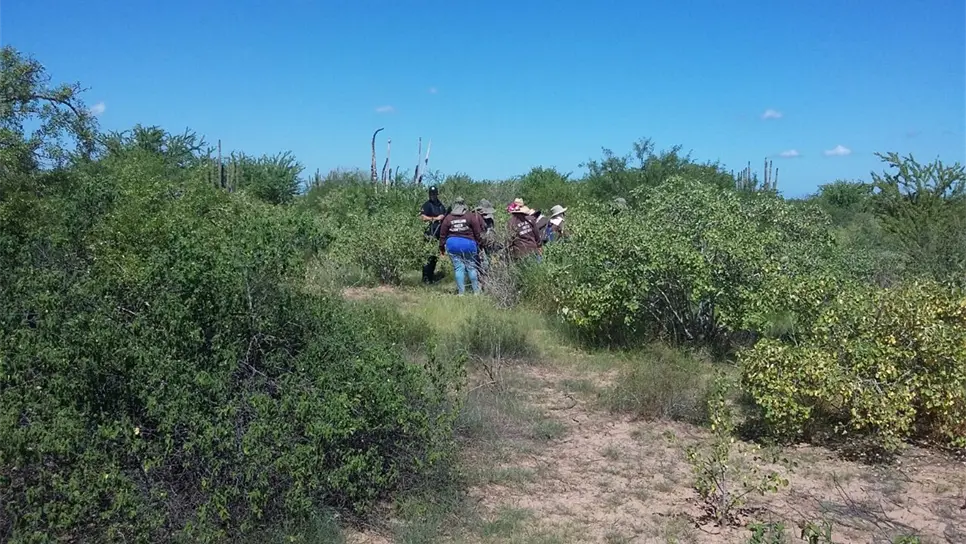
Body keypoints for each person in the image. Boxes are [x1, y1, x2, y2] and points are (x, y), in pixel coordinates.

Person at [439, 197, 484, 295]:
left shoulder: (448, 217)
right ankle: (476, 292)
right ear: (464, 205)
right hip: (468, 244)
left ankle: (461, 293)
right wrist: (480, 244)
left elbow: (442, 234)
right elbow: (477, 232)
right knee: (471, 267)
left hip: (452, 244)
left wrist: (441, 247)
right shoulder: (470, 216)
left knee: (459, 268)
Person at [419, 185, 447, 283]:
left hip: (438, 235)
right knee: (428, 256)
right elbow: (422, 217)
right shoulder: (426, 205)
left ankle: (431, 277)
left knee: (435, 257)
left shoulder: (440, 205)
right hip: (429, 234)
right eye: (431, 193)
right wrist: (435, 219)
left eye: (434, 193)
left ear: (437, 194)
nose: (432, 195)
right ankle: (425, 278)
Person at [475, 199, 499, 289]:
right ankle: (480, 285)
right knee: (481, 264)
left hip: (489, 244)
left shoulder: (490, 219)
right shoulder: (476, 218)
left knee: (487, 264)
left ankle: (486, 283)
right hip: (479, 244)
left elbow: (492, 230)